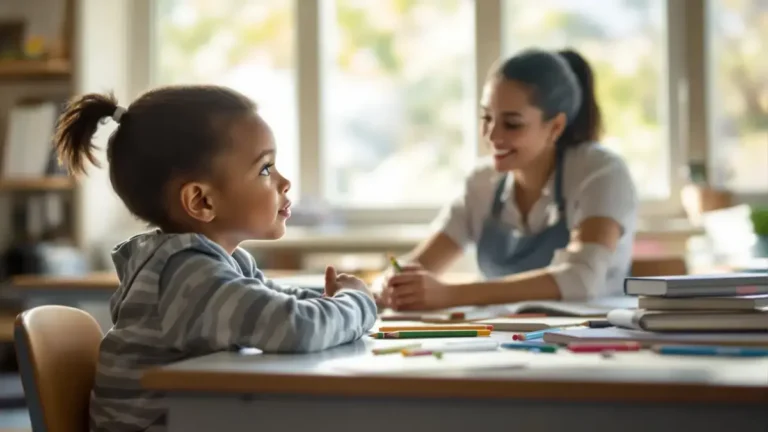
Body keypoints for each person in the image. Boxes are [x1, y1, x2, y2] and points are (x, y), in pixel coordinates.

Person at [54, 86, 377, 432]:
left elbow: (278, 303)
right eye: (265, 169)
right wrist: (357, 302)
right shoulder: (189, 275)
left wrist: (336, 299)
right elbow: (296, 327)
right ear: (201, 201)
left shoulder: (218, 263)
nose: (284, 182)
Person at [380, 48, 638, 311]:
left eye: (512, 124)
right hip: (501, 332)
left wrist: (450, 294)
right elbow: (419, 264)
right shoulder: (482, 184)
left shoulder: (600, 173)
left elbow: (581, 278)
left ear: (555, 127)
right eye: (487, 118)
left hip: (589, 332)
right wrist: (383, 287)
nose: (492, 136)